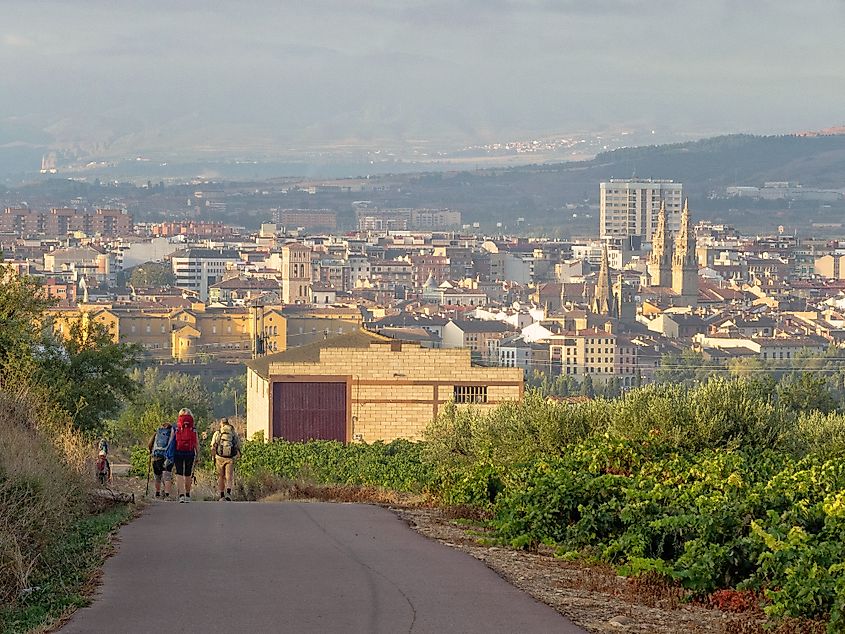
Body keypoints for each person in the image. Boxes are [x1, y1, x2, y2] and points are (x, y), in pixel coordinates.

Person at [210, 417, 241, 501]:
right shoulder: (233, 433)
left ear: (221, 423)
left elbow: (213, 446)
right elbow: (237, 445)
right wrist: (238, 454)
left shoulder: (218, 433)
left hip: (219, 457)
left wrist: (213, 457)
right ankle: (228, 493)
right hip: (230, 458)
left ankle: (222, 495)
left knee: (220, 476)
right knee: (229, 476)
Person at [173, 408, 199, 503]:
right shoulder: (193, 428)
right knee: (188, 473)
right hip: (190, 452)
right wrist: (198, 454)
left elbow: (172, 440)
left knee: (179, 473)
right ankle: (187, 495)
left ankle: (181, 496)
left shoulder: (176, 427)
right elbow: (196, 443)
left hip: (178, 451)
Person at [148, 422, 174, 499]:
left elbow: (149, 444)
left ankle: (157, 493)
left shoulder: (157, 433)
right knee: (167, 476)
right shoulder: (172, 433)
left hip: (157, 456)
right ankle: (167, 495)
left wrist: (150, 452)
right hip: (168, 456)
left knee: (157, 476)